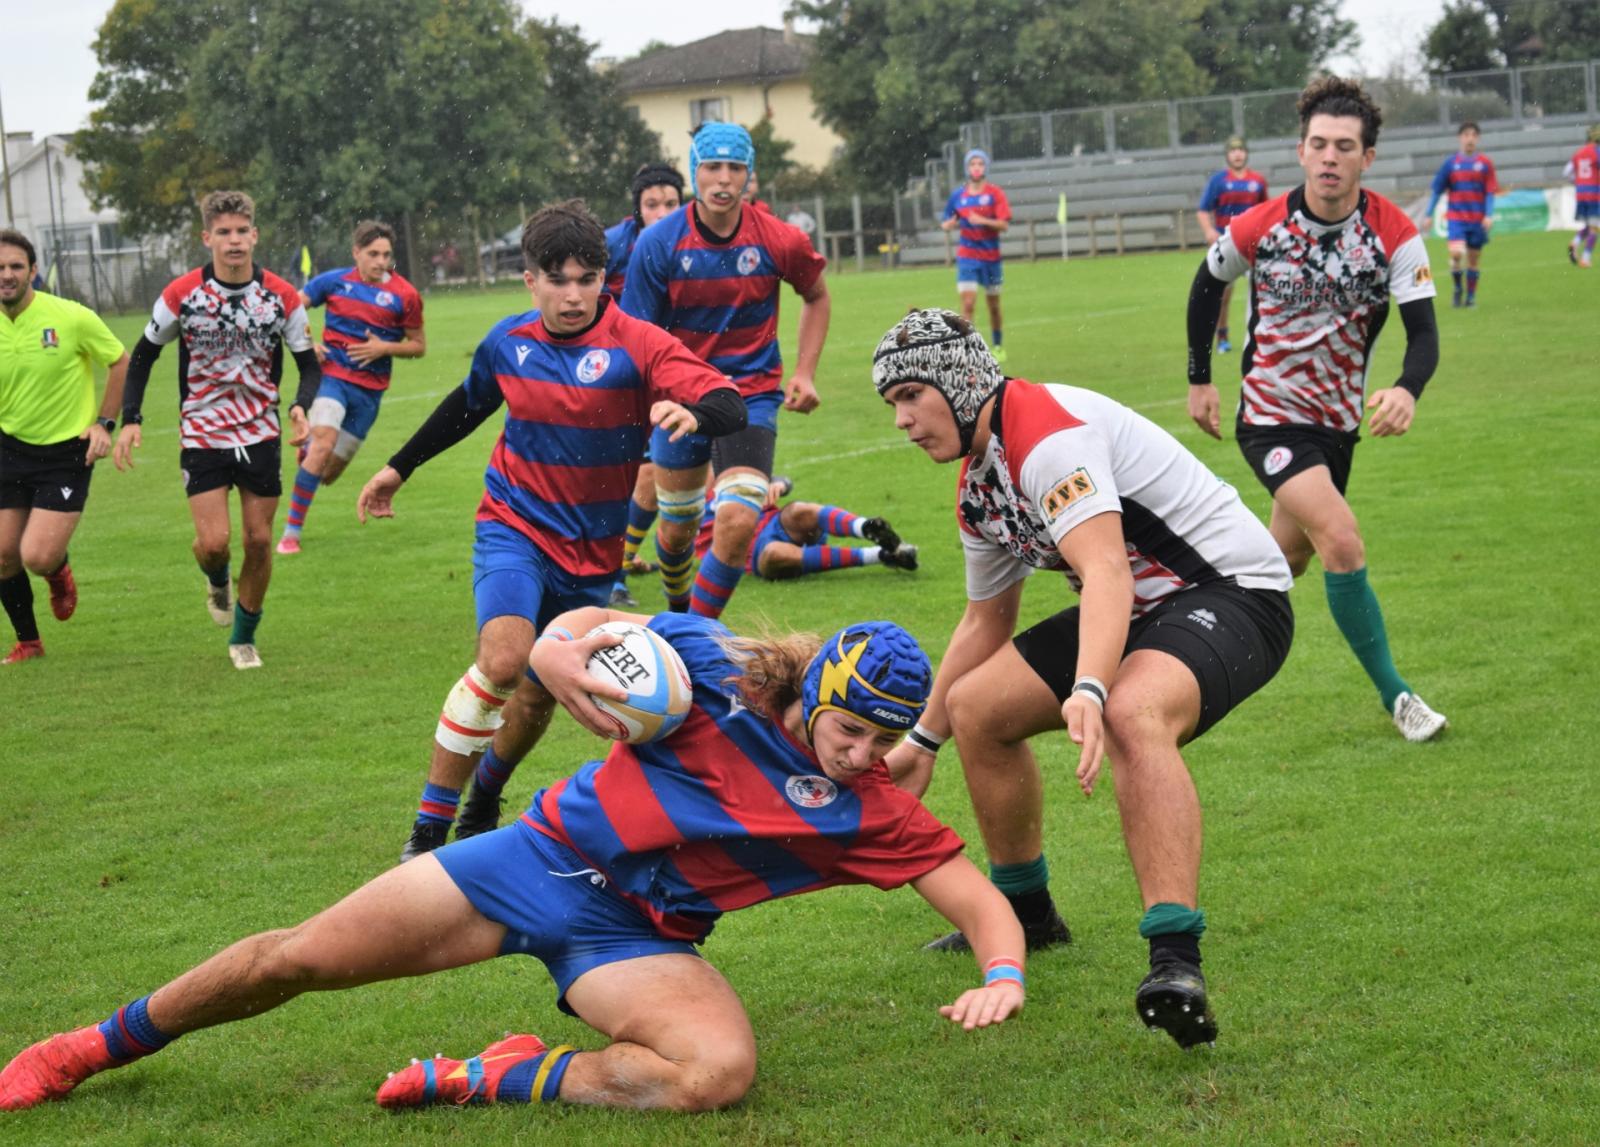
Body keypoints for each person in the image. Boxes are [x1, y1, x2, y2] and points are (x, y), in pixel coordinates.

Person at [0, 613, 1027, 1114]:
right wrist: (551, 655)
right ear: (813, 692)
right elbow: (580, 628)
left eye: (882, 740)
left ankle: (496, 1073)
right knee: (297, 957)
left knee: (715, 1074)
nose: (861, 754)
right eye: (848, 729)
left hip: (637, 939)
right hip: (529, 861)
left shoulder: (868, 806)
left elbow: (977, 897)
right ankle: (86, 1048)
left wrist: (1004, 973)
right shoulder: (710, 669)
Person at [872, 308, 1295, 1051]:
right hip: (1140, 606)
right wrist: (924, 740)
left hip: (1234, 592)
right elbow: (984, 621)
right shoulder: (979, 486)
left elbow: (1105, 570)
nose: (902, 420)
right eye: (892, 404)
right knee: (977, 707)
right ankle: (1028, 914)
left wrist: (1091, 689)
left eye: (911, 394)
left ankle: (1175, 961)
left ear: (960, 380)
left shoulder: (1046, 435)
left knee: (1132, 712)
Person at [355, 200, 745, 861]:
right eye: (557, 280)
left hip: (591, 553)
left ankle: (483, 799)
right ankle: (426, 833)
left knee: (536, 699)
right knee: (504, 659)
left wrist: (697, 416)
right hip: (513, 525)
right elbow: (467, 405)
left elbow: (727, 400)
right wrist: (399, 466)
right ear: (529, 279)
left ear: (604, 279)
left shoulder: (637, 343)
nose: (573, 296)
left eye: (587, 280)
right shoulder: (508, 341)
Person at [1185, 75, 1448, 744]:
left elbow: (1424, 335)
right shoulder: (1261, 226)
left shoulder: (1394, 234)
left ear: (1367, 158)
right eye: (1320, 144)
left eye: (1345, 147)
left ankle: (1173, 592)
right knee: (1342, 540)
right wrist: (1199, 379)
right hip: (1270, 417)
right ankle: (1399, 696)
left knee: (1282, 560)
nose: (1331, 157)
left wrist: (1406, 388)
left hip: (1336, 427)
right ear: (1301, 150)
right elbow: (1206, 282)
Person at [623, 122, 830, 620]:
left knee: (738, 520)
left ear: (748, 174)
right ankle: (678, 611)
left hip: (750, 395)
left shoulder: (779, 238)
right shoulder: (658, 244)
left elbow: (816, 295)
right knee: (676, 532)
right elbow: (635, 333)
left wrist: (804, 372)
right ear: (695, 171)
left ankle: (694, 633)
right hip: (681, 399)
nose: (723, 178)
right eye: (712, 166)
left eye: (734, 168)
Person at [113, 190, 320, 670]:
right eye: (223, 232)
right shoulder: (182, 294)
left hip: (260, 432)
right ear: (207, 238)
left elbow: (309, 366)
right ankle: (216, 578)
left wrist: (299, 407)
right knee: (213, 544)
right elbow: (142, 356)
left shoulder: (281, 297)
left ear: (255, 235)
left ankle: (243, 637)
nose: (234, 241)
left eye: (242, 231)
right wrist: (131, 419)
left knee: (259, 541)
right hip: (202, 434)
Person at [0, 228, 130, 665]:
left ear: (33, 271)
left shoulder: (71, 317)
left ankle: (57, 571)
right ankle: (29, 642)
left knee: (37, 556)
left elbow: (119, 361)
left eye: (16, 266)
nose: (6, 274)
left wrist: (105, 424)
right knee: (3, 554)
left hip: (66, 452)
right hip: (9, 447)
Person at [275, 220, 425, 554]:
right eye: (373, 254)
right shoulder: (333, 282)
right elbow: (289, 309)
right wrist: (305, 343)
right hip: (332, 379)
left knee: (327, 474)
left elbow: (419, 345)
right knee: (323, 445)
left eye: (386, 254)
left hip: (369, 393)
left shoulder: (405, 295)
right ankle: (290, 534)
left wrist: (384, 348)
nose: (381, 261)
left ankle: (309, 453)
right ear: (356, 252)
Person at [601, 163, 686, 606]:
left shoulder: (690, 241)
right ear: (637, 208)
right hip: (617, 372)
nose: (662, 212)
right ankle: (606, 570)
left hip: (667, 371)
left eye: (671, 203)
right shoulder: (613, 244)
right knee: (620, 477)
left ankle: (615, 569)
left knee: (652, 478)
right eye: (652, 204)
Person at [694, 476, 919, 579]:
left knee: (799, 510)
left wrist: (779, 485)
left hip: (775, 523)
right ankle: (881, 555)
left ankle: (865, 527)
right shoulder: (687, 509)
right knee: (775, 553)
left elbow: (784, 479)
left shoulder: (730, 469)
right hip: (754, 555)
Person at [1195, 137, 1269, 352]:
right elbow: (1203, 210)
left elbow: (1266, 211)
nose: (1237, 154)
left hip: (1252, 246)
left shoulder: (1258, 181)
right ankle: (1222, 336)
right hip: (1226, 244)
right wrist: (1209, 231)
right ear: (1227, 155)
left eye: (1241, 150)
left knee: (1261, 294)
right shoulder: (1218, 181)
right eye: (1233, 150)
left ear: (1246, 153)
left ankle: (1260, 336)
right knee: (1223, 295)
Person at [940, 148, 1011, 362]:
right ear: (967, 168)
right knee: (968, 304)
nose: (976, 168)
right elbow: (946, 222)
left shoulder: (995, 194)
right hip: (967, 257)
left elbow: (1004, 225)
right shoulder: (958, 196)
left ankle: (997, 346)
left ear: (985, 167)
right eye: (973, 164)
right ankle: (967, 349)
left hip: (991, 258)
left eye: (980, 164)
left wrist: (983, 221)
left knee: (994, 306)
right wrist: (949, 224)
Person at [1425, 122, 1499, 307]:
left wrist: (1489, 215)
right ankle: (1458, 287)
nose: (1470, 139)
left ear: (1478, 139)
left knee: (1473, 260)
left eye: (1473, 135)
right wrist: (1428, 214)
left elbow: (1490, 192)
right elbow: (1437, 190)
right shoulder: (1451, 164)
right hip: (1457, 219)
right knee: (1457, 254)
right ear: (1460, 138)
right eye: (1466, 135)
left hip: (1477, 220)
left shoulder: (1485, 164)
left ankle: (1470, 298)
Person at [1565, 124, 1600, 268]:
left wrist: (1579, 182)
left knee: (1589, 225)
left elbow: (1566, 173)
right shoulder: (1597, 151)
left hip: (1581, 194)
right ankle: (1585, 258)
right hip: (1594, 194)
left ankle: (1575, 243)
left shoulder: (1578, 153)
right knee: (1594, 228)